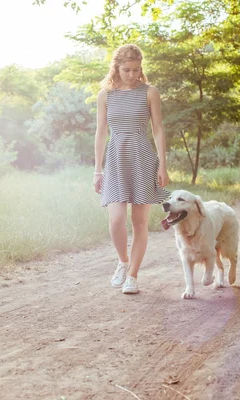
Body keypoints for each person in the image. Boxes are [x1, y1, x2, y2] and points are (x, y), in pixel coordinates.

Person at [92, 44, 170, 295]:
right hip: (115, 157)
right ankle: (123, 261)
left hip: (142, 156)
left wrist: (163, 165)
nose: (132, 74)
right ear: (116, 67)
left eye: (136, 70)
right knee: (116, 220)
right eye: (126, 70)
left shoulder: (150, 92)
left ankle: (133, 276)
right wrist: (97, 169)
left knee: (139, 221)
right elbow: (101, 132)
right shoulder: (105, 95)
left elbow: (158, 129)